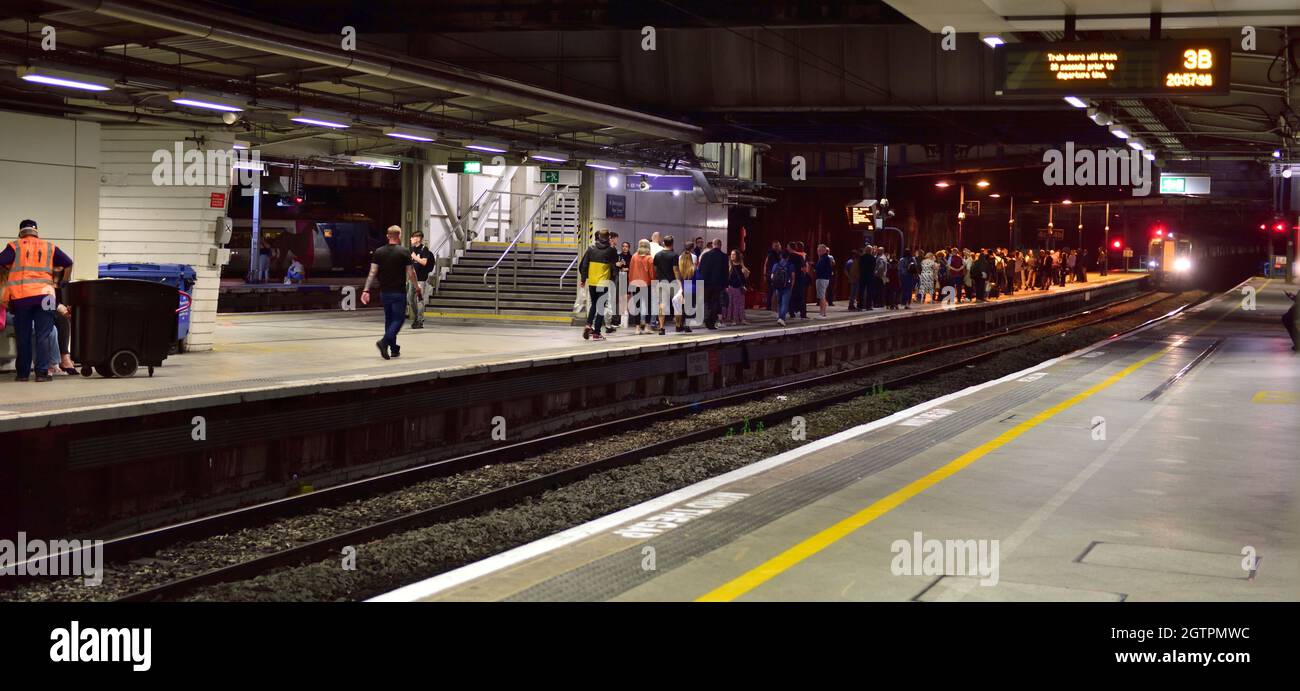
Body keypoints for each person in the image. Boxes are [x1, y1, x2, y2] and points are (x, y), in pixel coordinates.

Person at [0, 220, 73, 382]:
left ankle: (22, 374)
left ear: (20, 233)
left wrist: (6, 270)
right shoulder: (49, 247)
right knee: (44, 334)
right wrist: (63, 282)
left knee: (23, 335)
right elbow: (68, 262)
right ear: (37, 232)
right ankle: (41, 373)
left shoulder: (14, 246)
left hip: (21, 297)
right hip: (46, 297)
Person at [361, 225, 420, 360]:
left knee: (389, 320)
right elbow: (411, 273)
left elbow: (372, 273)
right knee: (398, 320)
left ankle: (393, 349)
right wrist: (417, 287)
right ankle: (384, 342)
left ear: (388, 236)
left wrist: (366, 289)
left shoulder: (379, 252)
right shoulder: (404, 252)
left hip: (384, 293)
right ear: (399, 235)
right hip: (398, 293)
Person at [578, 228, 618, 341]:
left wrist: (583, 279)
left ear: (599, 237)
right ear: (608, 237)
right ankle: (596, 333)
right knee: (600, 307)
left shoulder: (591, 249)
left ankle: (588, 324)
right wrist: (614, 278)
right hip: (603, 282)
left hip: (592, 282)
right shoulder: (611, 250)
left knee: (594, 304)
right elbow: (615, 265)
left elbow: (584, 265)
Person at [698, 238, 728, 329]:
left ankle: (706, 318)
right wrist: (725, 285)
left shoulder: (705, 255)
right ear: (720, 245)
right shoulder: (724, 256)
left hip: (706, 283)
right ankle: (712, 321)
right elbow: (725, 272)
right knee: (715, 302)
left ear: (713, 245)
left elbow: (701, 270)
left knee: (706, 302)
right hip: (718, 284)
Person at [652, 235, 679, 335]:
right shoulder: (674, 255)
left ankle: (662, 328)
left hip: (661, 282)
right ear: (672, 243)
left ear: (663, 243)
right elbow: (675, 270)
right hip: (672, 283)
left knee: (662, 305)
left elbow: (655, 270)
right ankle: (678, 325)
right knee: (676, 304)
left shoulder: (657, 255)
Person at [407, 230, 433, 329]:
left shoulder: (424, 249)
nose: (411, 239)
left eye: (413, 237)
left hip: (421, 279)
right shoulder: (410, 249)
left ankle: (420, 320)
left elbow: (424, 262)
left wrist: (414, 257)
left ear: (418, 238)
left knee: (419, 300)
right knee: (409, 299)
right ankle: (416, 317)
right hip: (412, 279)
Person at [628, 239, 654, 334]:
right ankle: (647, 326)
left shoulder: (634, 257)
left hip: (634, 284)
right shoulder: (649, 258)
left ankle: (637, 328)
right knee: (648, 306)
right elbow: (652, 273)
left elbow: (630, 272)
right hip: (646, 284)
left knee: (636, 306)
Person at [724, 249, 750, 326]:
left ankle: (741, 319)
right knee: (731, 304)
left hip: (739, 288)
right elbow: (726, 278)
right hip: (731, 288)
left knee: (740, 304)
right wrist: (726, 286)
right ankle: (733, 319)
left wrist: (745, 273)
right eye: (731, 254)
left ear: (737, 256)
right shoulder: (729, 265)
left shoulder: (741, 266)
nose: (732, 256)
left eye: (734, 254)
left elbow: (744, 278)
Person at [769, 248, 794, 326]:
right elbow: (793, 277)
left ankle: (780, 317)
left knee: (779, 303)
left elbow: (772, 276)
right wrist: (791, 286)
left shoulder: (776, 265)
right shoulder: (790, 265)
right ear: (788, 257)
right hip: (787, 286)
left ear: (780, 256)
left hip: (778, 287)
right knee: (785, 303)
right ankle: (782, 318)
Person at [676, 246, 697, 332]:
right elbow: (698, 278)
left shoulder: (679, 269)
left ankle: (679, 324)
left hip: (681, 287)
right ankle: (687, 325)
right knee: (689, 308)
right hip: (691, 287)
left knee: (680, 307)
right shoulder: (693, 269)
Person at [813, 243, 833, 318]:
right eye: (818, 250)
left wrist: (814, 267)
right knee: (822, 296)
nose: (818, 252)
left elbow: (820, 269)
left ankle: (822, 313)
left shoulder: (824, 258)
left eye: (819, 250)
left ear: (823, 250)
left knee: (822, 296)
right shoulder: (823, 258)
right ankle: (822, 313)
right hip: (823, 278)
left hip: (822, 278)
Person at [764, 241, 783, 311]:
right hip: (771, 274)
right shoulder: (770, 254)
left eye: (778, 245)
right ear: (773, 247)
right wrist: (765, 274)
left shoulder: (781, 254)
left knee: (777, 291)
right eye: (775, 246)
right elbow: (766, 263)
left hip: (780, 274)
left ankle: (776, 306)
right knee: (771, 290)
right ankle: (769, 306)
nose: (777, 247)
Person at [856, 245, 876, 311]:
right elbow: (873, 267)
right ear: (870, 251)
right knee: (869, 291)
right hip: (870, 276)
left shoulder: (861, 257)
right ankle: (868, 306)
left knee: (861, 291)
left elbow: (859, 266)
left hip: (862, 276)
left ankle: (859, 306)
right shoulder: (872, 258)